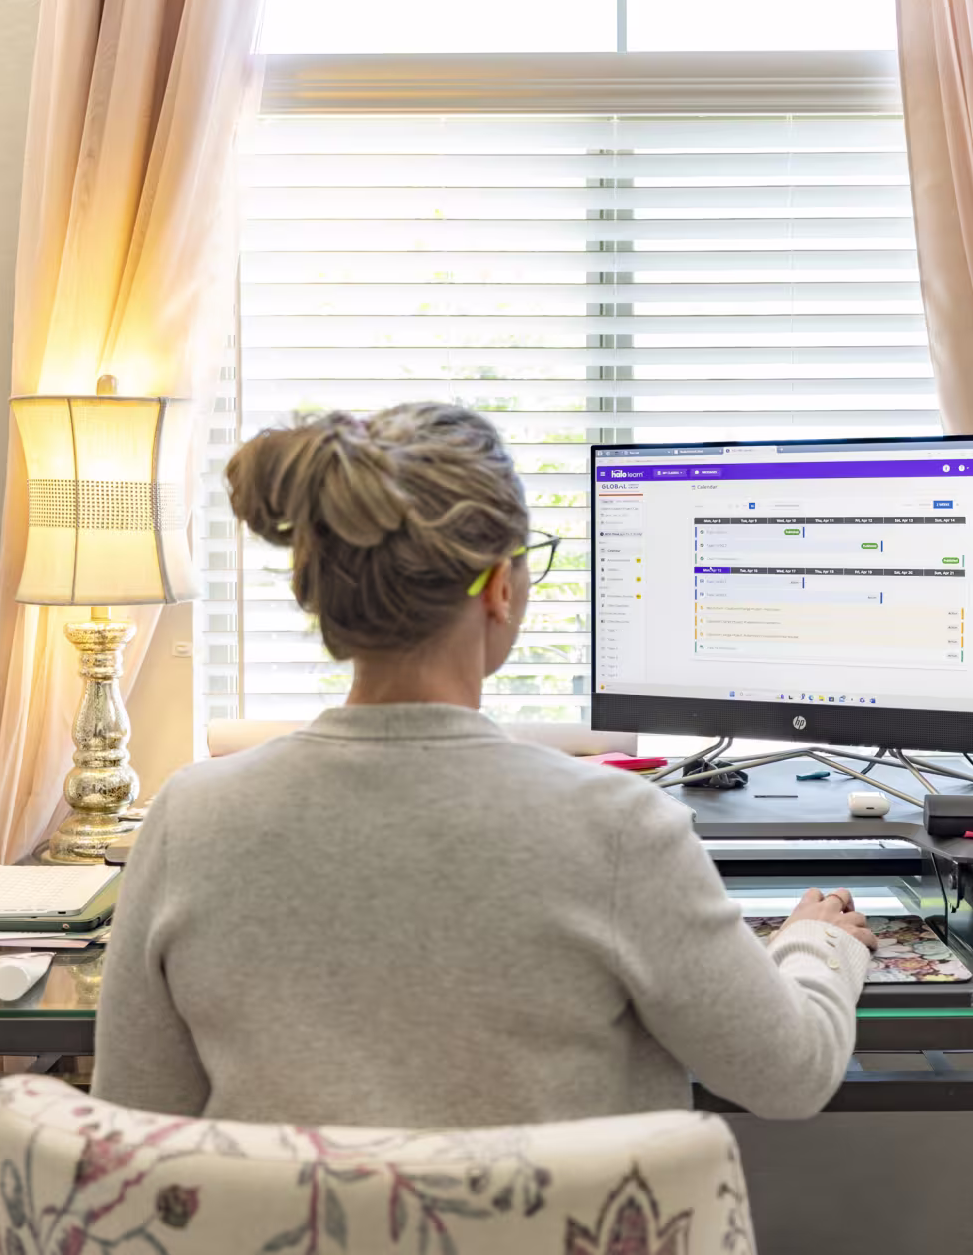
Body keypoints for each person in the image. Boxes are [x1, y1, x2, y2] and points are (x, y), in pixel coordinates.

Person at [93, 403, 873, 1127]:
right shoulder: (617, 828)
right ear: (500, 587)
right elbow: (790, 1075)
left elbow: (135, 1123)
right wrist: (814, 942)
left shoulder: (190, 819)